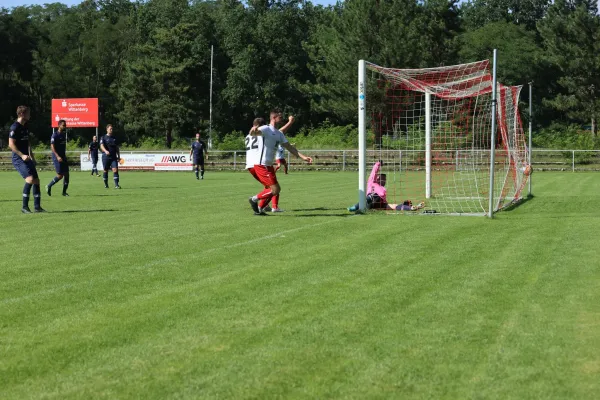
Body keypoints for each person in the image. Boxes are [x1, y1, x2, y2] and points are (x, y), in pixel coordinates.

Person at [247, 110, 312, 215]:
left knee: (275, 189)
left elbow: (290, 147)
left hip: (269, 165)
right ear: (274, 118)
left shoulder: (279, 134)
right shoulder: (266, 128)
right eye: (280, 117)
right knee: (275, 190)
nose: (282, 120)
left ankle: (259, 208)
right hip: (261, 164)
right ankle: (254, 200)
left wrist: (304, 157)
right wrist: (252, 130)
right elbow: (254, 133)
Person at [8, 105, 45, 213]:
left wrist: (31, 156)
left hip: (27, 158)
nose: (30, 115)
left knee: (36, 181)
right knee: (30, 179)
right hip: (18, 159)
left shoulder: (25, 126)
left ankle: (37, 207)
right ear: (22, 114)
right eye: (28, 113)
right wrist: (22, 155)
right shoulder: (14, 127)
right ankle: (24, 207)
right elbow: (11, 144)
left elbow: (28, 142)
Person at [347, 161, 425, 212]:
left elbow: (384, 199)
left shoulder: (383, 189)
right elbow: (373, 172)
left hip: (378, 205)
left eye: (385, 179)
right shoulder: (372, 182)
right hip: (370, 201)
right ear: (377, 178)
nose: (384, 181)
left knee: (393, 206)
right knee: (373, 195)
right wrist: (378, 164)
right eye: (382, 178)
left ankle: (410, 208)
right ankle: (355, 207)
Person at [45, 119, 70, 197]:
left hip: (63, 156)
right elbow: (52, 147)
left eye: (65, 125)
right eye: (63, 125)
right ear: (59, 125)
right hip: (57, 157)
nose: (65, 126)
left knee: (67, 174)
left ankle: (64, 192)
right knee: (60, 175)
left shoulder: (63, 135)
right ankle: (49, 186)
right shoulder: (55, 135)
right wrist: (57, 156)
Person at [100, 124, 121, 189]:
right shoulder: (103, 137)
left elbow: (117, 147)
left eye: (112, 129)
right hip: (105, 157)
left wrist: (119, 156)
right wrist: (105, 151)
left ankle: (116, 185)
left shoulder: (114, 138)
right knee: (105, 170)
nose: (111, 130)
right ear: (107, 129)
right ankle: (106, 185)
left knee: (115, 170)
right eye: (110, 129)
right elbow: (101, 146)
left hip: (113, 157)